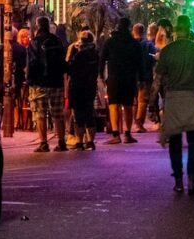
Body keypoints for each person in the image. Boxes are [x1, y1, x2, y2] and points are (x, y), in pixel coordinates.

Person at [153, 15, 194, 195]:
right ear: (190, 29)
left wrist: (151, 101)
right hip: (193, 97)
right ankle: (192, 179)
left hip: (174, 98)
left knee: (175, 142)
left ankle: (178, 179)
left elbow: (158, 78)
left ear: (177, 30)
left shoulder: (168, 51)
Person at [100, 16, 144, 144]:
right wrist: (140, 78)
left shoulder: (110, 42)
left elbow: (102, 59)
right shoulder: (134, 43)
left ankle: (115, 134)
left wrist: (101, 75)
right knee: (128, 105)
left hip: (114, 77)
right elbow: (140, 62)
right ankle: (127, 134)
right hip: (130, 77)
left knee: (114, 105)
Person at [27, 16, 67, 153]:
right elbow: (63, 61)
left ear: (37, 26)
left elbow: (31, 63)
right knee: (57, 113)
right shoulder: (57, 40)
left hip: (40, 83)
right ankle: (62, 141)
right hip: (56, 82)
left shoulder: (34, 42)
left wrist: (30, 81)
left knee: (40, 113)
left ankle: (44, 143)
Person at [65, 29, 100, 150]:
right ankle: (90, 141)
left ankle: (79, 141)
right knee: (89, 113)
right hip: (90, 87)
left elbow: (69, 68)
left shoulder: (79, 54)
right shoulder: (95, 54)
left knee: (78, 115)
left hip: (77, 86)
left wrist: (72, 53)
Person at [132, 22, 156, 133]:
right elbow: (154, 57)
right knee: (143, 100)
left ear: (134, 31)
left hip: (132, 76)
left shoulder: (130, 44)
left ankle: (133, 123)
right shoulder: (148, 44)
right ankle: (139, 123)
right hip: (146, 76)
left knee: (135, 101)